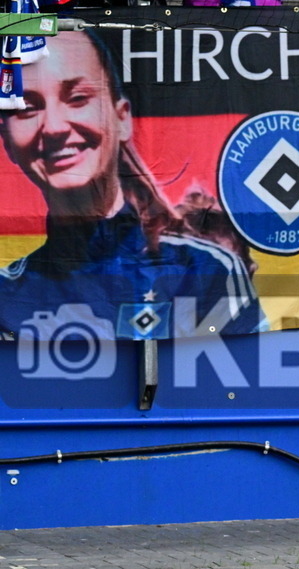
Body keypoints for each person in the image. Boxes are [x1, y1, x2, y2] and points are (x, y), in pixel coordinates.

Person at [0, 31, 264, 341]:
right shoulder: (7, 293)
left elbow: (246, 378)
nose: (55, 127)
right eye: (28, 108)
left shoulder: (207, 270)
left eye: (78, 98)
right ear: (6, 140)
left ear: (122, 118)